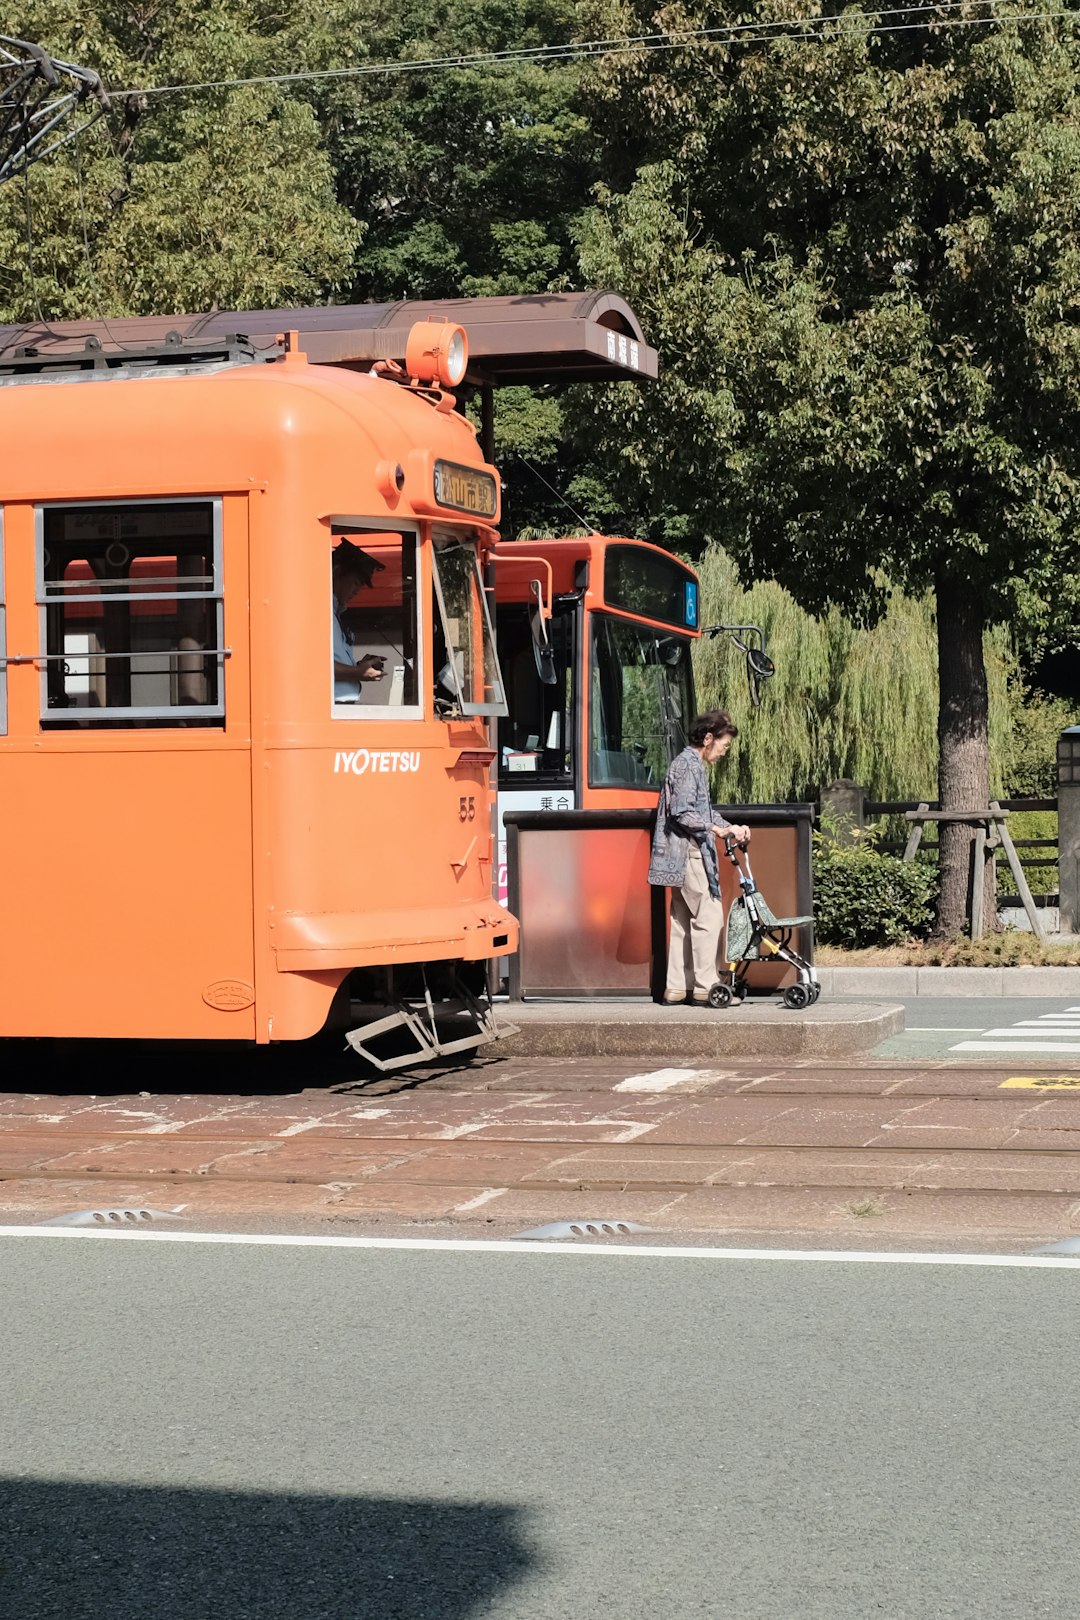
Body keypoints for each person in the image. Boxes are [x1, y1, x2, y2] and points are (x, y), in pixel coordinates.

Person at [648, 709, 752, 1006]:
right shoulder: (688, 766)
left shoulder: (688, 764)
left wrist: (728, 827)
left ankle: (677, 987)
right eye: (724, 745)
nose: (723, 751)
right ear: (708, 738)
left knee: (682, 920)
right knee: (708, 917)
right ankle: (706, 987)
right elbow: (684, 813)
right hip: (689, 852)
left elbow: (697, 811)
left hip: (680, 852)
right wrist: (716, 829)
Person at [332, 539, 386, 700]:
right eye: (355, 583)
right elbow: (313, 665)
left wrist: (359, 667)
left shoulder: (335, 613)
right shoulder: (318, 611)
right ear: (336, 573)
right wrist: (357, 672)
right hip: (333, 707)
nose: (357, 591)